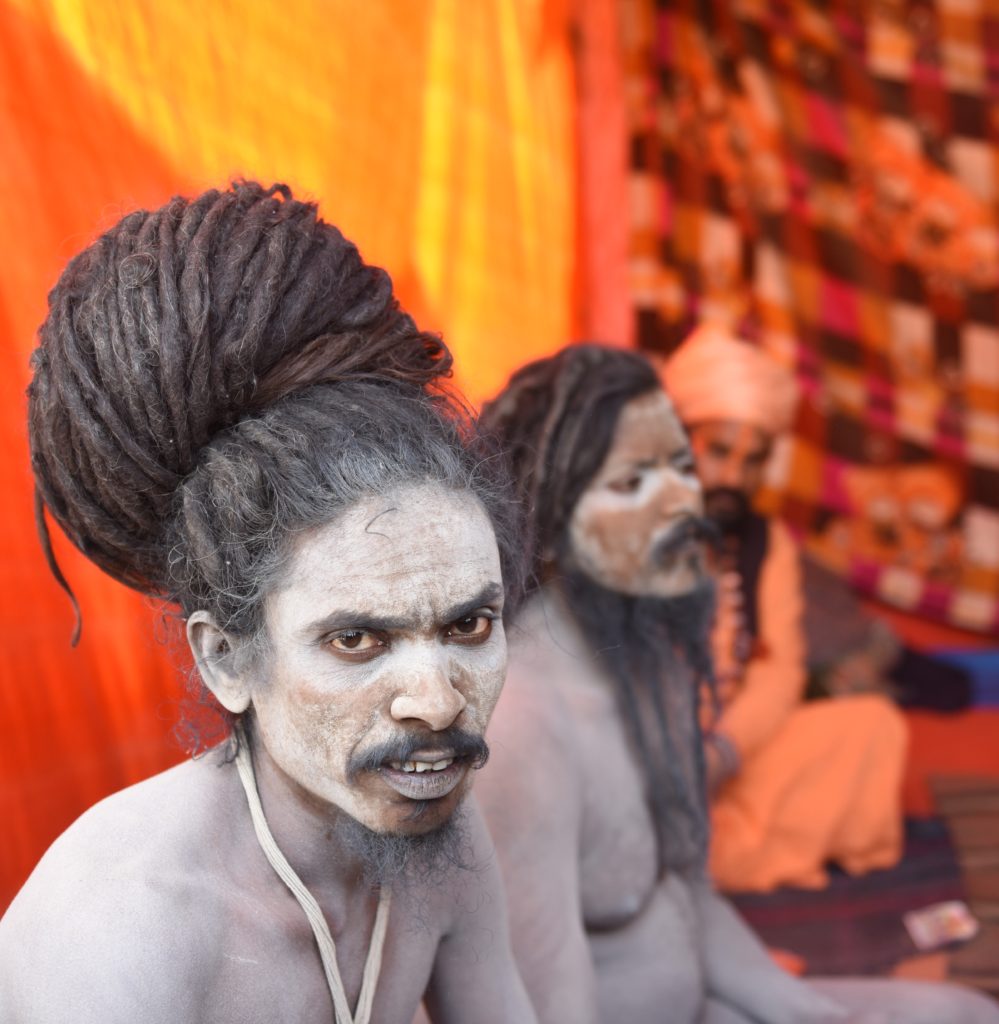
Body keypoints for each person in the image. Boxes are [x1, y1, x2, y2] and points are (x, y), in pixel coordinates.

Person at [0, 182, 535, 1024]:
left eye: (469, 625)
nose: (435, 701)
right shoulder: (125, 924)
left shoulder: (439, 847)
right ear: (226, 658)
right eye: (357, 640)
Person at [476, 343, 999, 1024]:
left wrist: (806, 1011)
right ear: (553, 515)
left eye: (674, 469)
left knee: (963, 1013)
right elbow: (545, 998)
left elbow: (686, 896)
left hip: (703, 1000)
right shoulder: (520, 727)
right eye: (632, 482)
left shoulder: (654, 668)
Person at [663, 323, 907, 893]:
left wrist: (726, 749)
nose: (734, 477)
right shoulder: (635, 527)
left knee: (872, 725)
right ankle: (720, 856)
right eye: (720, 451)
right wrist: (681, 750)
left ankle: (718, 857)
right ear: (678, 438)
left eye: (754, 460)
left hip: (732, 755)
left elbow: (780, 672)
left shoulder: (765, 544)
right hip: (656, 753)